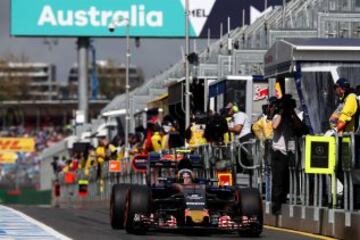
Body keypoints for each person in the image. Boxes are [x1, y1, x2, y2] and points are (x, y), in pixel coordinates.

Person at [270, 94, 301, 215]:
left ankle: (282, 201)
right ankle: (275, 206)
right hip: (278, 151)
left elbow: (299, 126)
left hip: (288, 152)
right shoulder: (277, 115)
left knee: (286, 180)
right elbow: (275, 126)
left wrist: (292, 112)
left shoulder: (291, 116)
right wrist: (282, 112)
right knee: (278, 180)